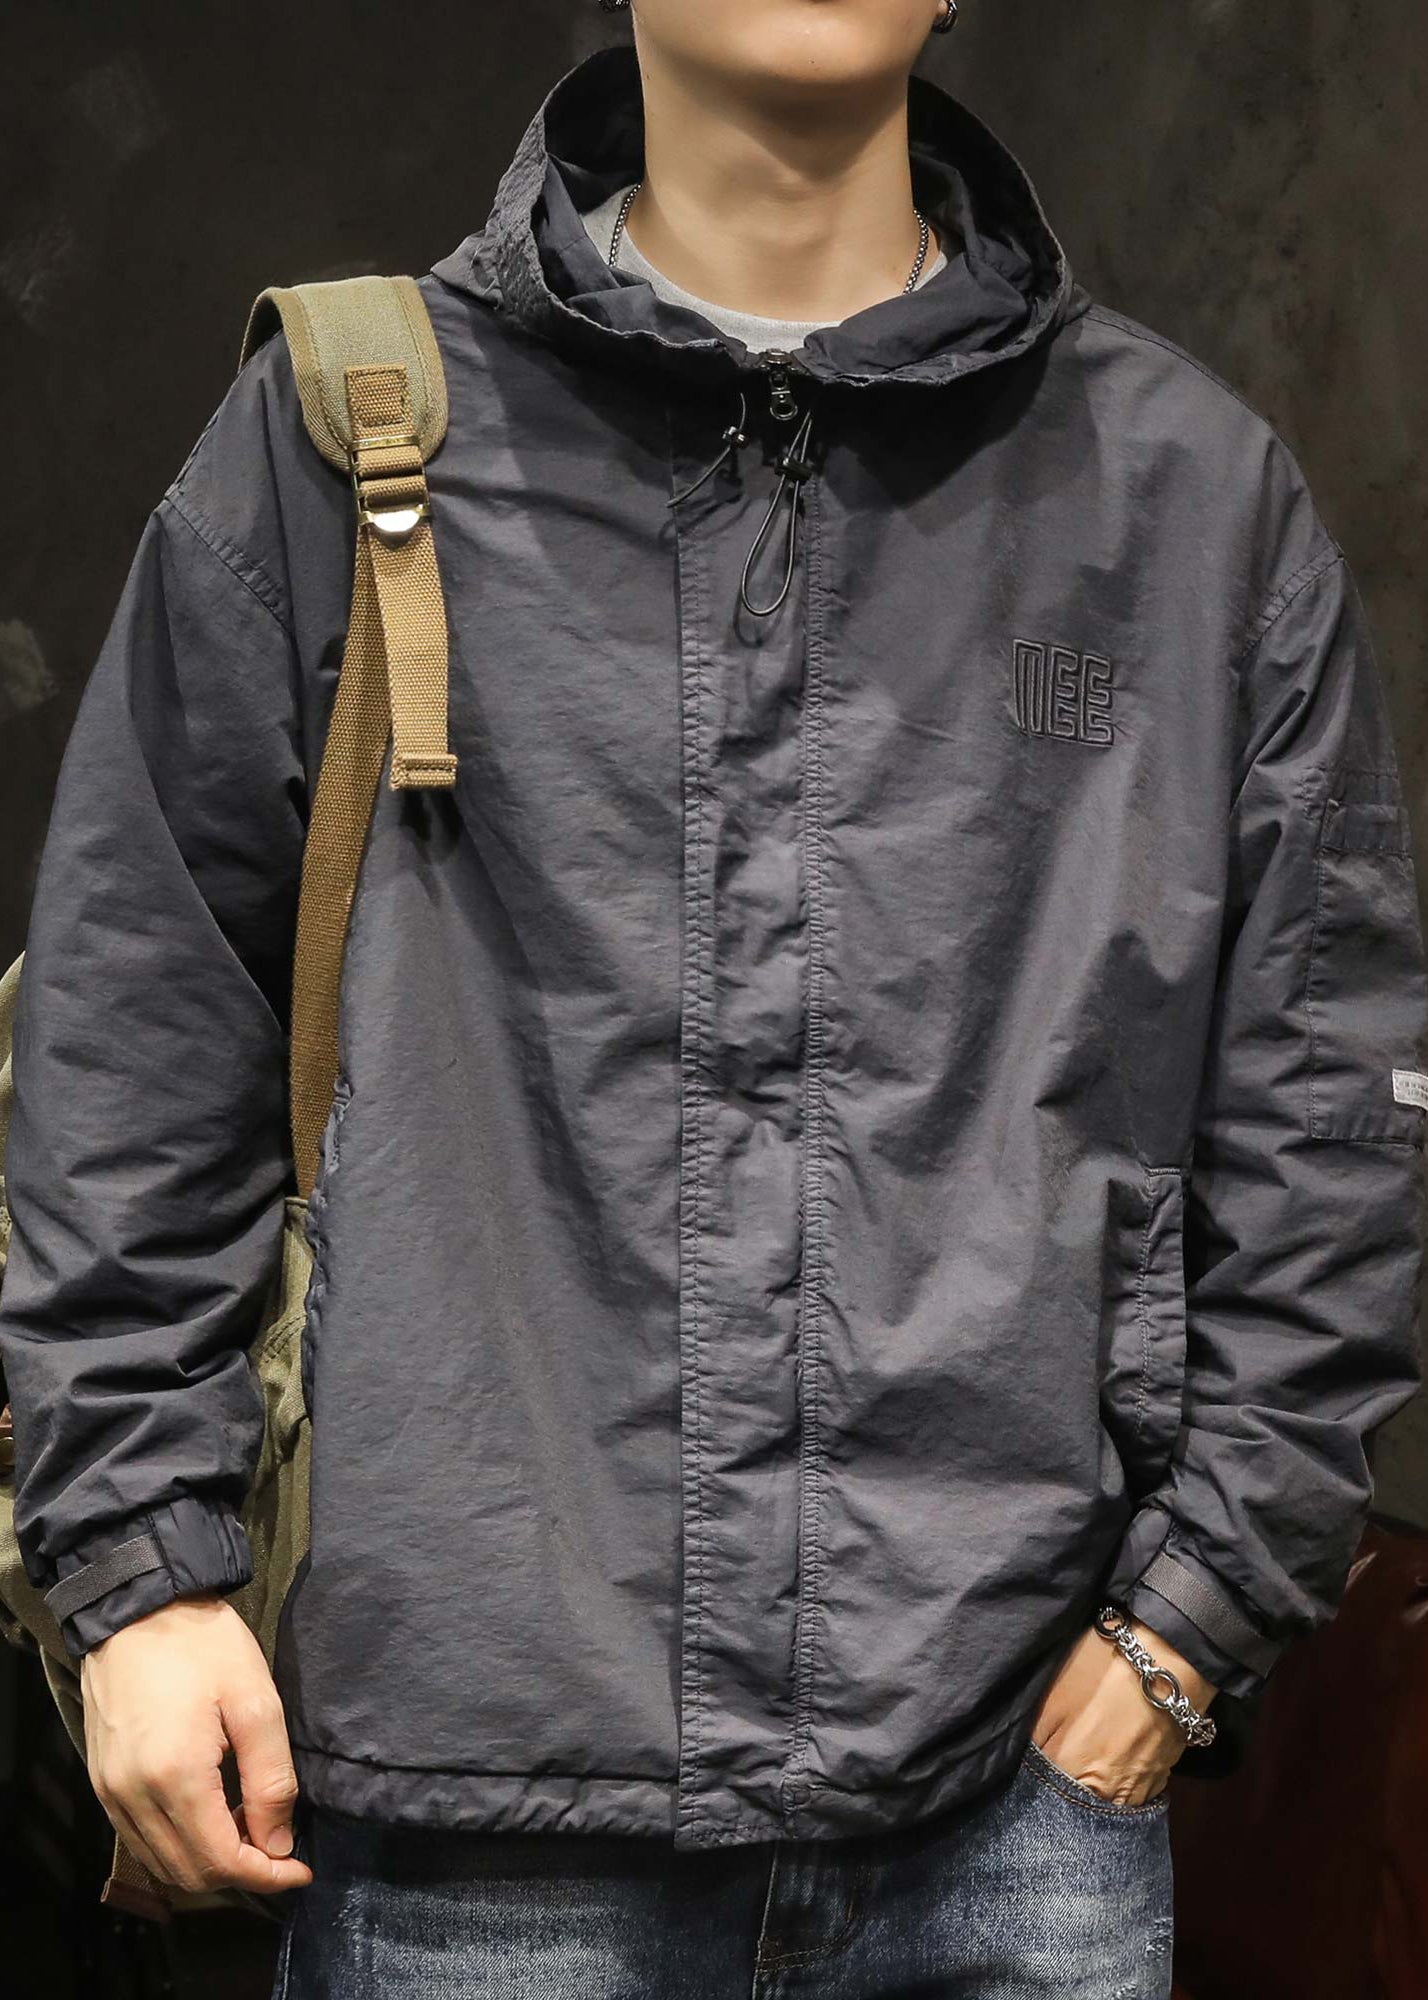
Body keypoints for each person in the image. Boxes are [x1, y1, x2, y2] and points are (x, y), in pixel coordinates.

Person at [1, 3, 1423, 1994]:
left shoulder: (1190, 505)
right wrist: (140, 1576)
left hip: (1015, 1826)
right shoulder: (342, 440)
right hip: (474, 1842)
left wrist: (1188, 1628)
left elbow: (1336, 1112)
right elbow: (134, 1042)